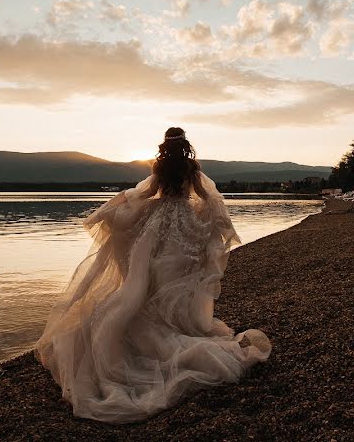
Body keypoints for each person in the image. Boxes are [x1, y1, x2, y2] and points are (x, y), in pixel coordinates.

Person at [35, 127, 271, 423]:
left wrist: (117, 206)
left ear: (164, 147)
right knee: (176, 284)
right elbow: (206, 198)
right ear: (184, 145)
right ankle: (178, 326)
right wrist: (205, 219)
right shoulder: (191, 168)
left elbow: (143, 193)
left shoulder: (159, 168)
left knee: (149, 282)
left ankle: (161, 326)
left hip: (158, 225)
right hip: (182, 225)